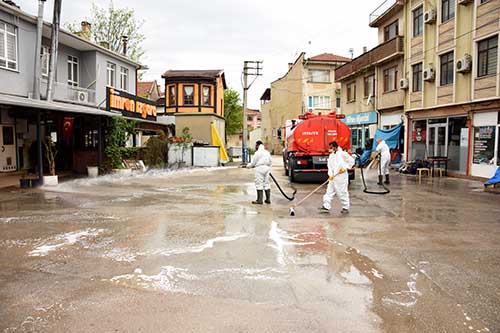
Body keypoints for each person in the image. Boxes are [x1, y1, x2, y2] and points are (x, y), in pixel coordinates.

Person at [319, 141, 355, 214]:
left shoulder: (343, 154)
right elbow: (329, 166)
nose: (330, 149)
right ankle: (326, 206)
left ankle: (345, 207)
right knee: (329, 191)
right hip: (333, 177)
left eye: (331, 147)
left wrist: (345, 167)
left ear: (335, 147)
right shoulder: (331, 156)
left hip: (341, 177)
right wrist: (330, 174)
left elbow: (352, 161)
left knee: (342, 192)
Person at [247, 140, 272, 204]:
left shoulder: (257, 153)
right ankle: (268, 199)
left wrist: (248, 166)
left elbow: (253, 163)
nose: (255, 147)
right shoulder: (267, 152)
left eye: (256, 145)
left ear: (258, 145)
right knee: (267, 183)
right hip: (267, 169)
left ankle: (259, 200)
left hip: (259, 169)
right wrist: (268, 168)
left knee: (259, 183)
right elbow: (270, 161)